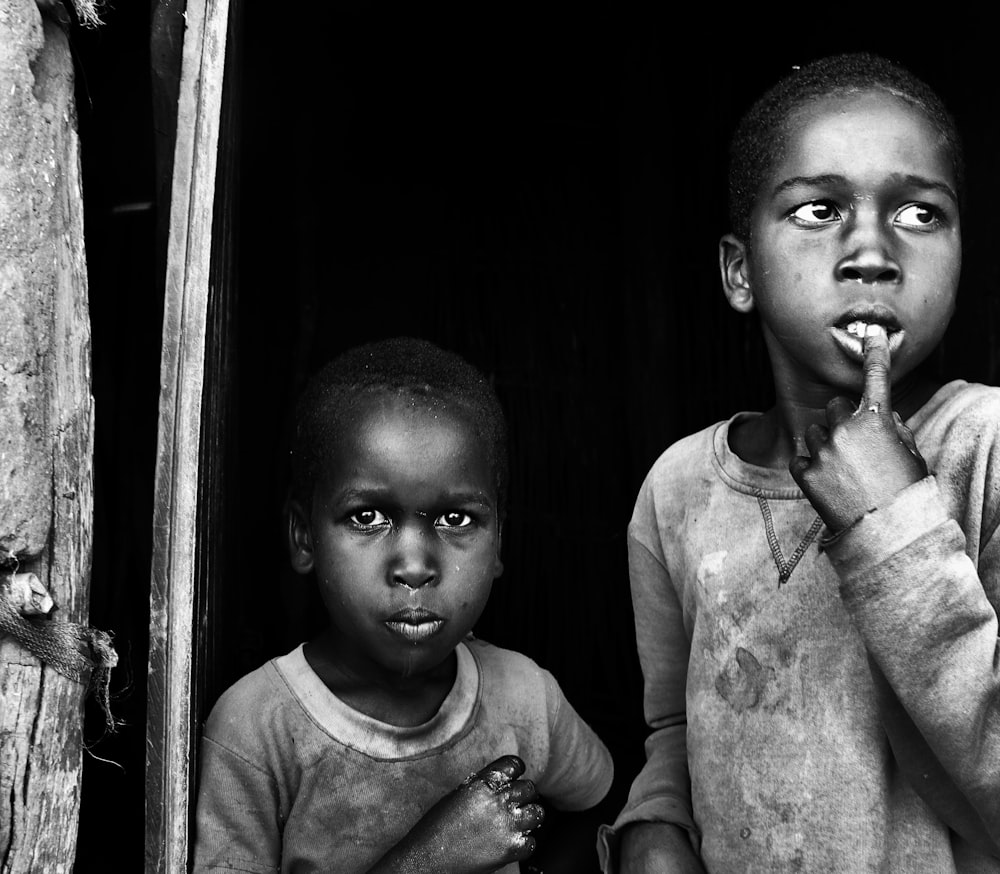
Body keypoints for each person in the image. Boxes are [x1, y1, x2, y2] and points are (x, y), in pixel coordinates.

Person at [599, 52, 1000, 873]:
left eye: (920, 214)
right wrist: (655, 824)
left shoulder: (986, 447)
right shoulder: (678, 490)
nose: (872, 252)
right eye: (819, 210)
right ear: (740, 272)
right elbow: (677, 728)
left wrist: (895, 526)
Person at [192, 337, 613, 873]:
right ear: (303, 538)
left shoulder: (526, 697)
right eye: (368, 517)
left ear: (499, 544)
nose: (415, 566)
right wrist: (429, 860)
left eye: (455, 519)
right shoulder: (256, 729)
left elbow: (598, 807)